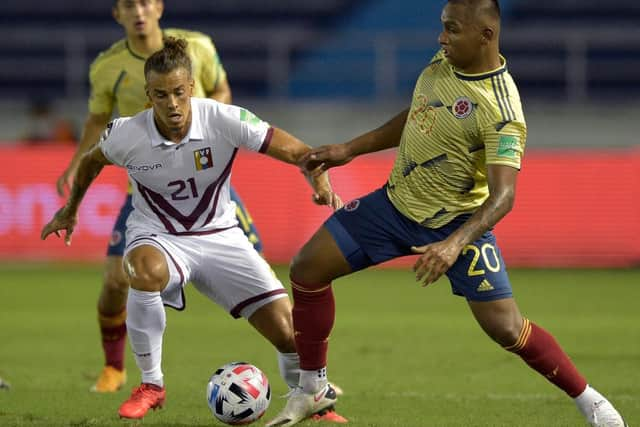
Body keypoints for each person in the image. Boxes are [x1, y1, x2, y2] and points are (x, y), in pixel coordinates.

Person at [266, 1, 629, 426]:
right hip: (394, 204)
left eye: (452, 30)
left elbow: (503, 196)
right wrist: (350, 149)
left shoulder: (502, 112)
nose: (441, 38)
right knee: (307, 268)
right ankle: (312, 390)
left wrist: (454, 245)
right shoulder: (445, 61)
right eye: (443, 28)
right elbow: (418, 113)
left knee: (507, 329)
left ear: (486, 36)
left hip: (457, 224)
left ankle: (592, 403)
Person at [41, 38, 348, 422]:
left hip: (221, 236)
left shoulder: (223, 119)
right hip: (159, 235)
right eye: (160, 95)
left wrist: (317, 182)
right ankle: (151, 385)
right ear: (148, 95)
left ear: (191, 88)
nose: (171, 104)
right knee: (140, 268)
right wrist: (70, 210)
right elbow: (90, 162)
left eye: (179, 93)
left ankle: (313, 401)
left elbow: (295, 150)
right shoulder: (126, 134)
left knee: (289, 332)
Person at [54, 0, 262, 393]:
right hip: (148, 193)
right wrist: (74, 163)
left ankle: (308, 374)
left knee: (260, 278)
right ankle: (114, 368)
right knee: (116, 281)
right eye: (128, 5)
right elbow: (99, 119)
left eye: (145, 2)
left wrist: (211, 136)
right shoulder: (107, 67)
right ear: (117, 15)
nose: (139, 11)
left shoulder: (198, 47)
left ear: (159, 7)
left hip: (206, 187)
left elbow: (221, 89)